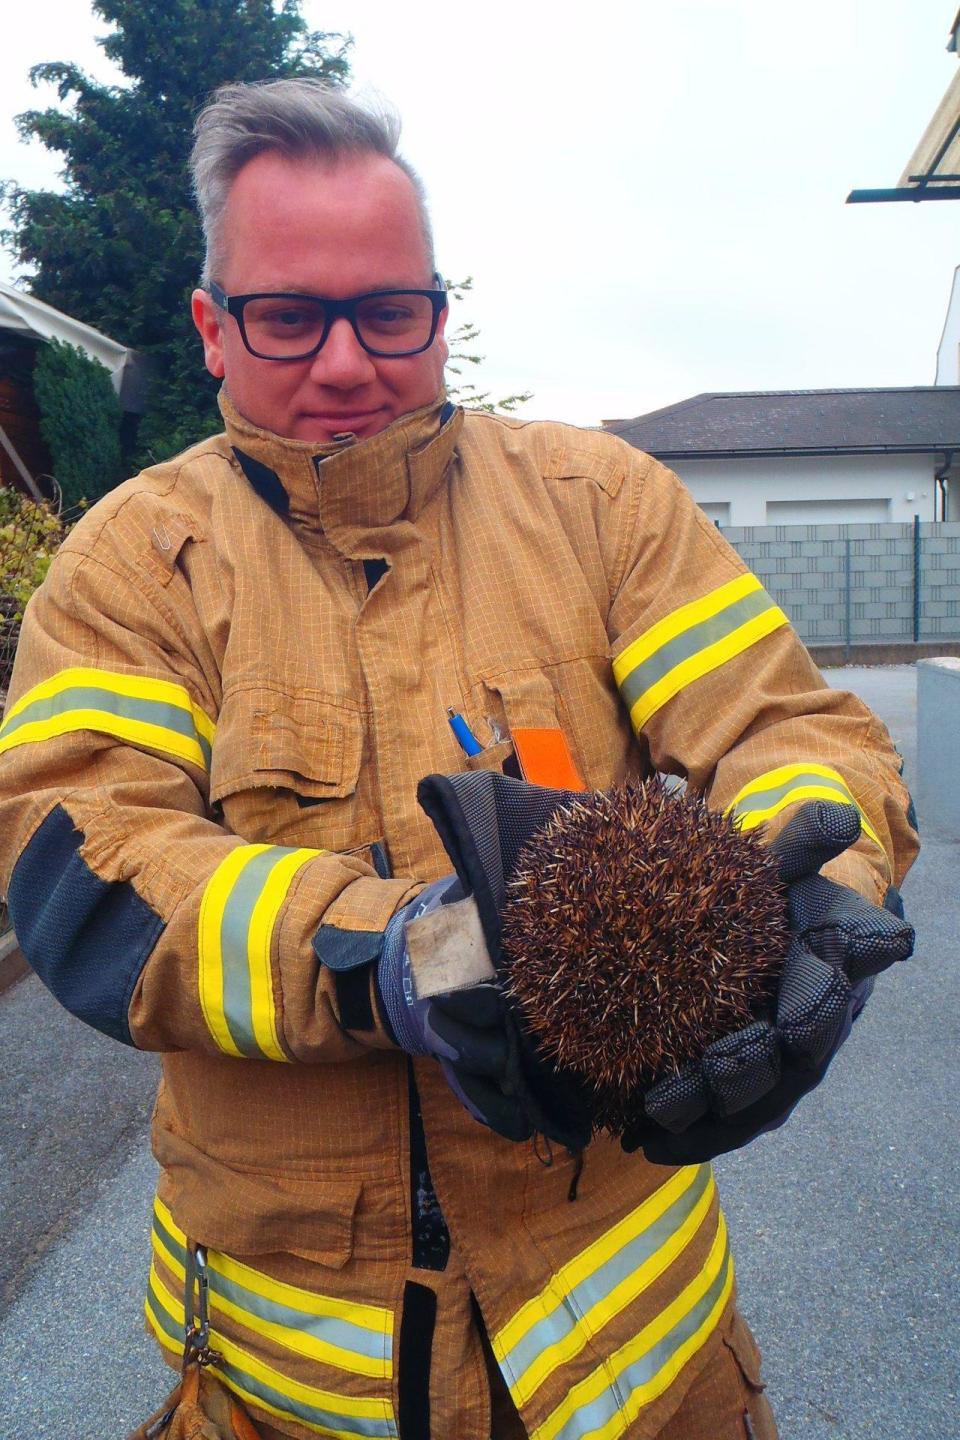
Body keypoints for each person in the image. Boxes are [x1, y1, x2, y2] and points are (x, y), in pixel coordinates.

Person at [0, 78, 917, 1440]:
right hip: (293, 1398)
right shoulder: (130, 567)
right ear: (211, 326)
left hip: (651, 1376)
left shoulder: (602, 505)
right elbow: (88, 870)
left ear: (438, 307)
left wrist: (801, 891)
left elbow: (793, 733)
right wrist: (403, 958)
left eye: (389, 311)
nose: (348, 361)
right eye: (289, 316)